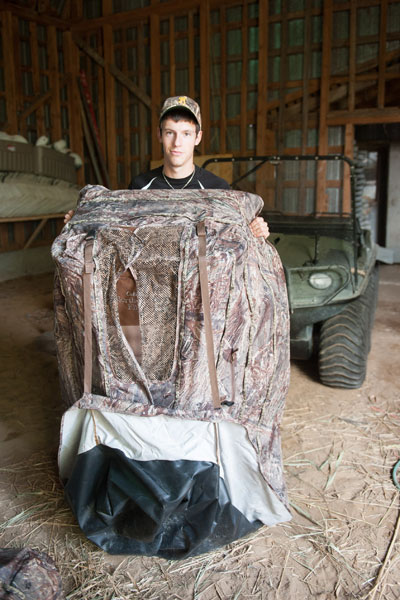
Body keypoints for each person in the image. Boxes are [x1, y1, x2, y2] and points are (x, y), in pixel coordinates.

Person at [65, 95, 269, 238]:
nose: (177, 142)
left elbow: (232, 236)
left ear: (198, 137)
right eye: (170, 133)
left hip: (201, 289)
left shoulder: (218, 188)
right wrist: (82, 219)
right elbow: (118, 229)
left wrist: (255, 228)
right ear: (159, 135)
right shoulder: (140, 185)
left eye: (186, 134)